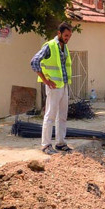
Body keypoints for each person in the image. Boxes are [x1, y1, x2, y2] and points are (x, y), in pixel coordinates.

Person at [31, 22, 74, 155]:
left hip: (63, 86)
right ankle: (46, 145)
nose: (68, 38)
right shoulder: (50, 46)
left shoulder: (64, 47)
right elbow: (34, 62)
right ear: (59, 33)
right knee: (50, 116)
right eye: (66, 35)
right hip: (53, 87)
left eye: (70, 36)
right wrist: (45, 80)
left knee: (62, 116)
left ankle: (61, 143)